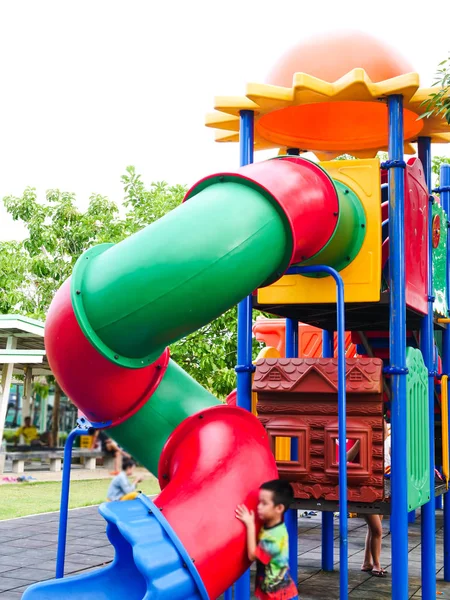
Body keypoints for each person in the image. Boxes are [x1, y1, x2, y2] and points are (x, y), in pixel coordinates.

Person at [235, 479, 298, 600]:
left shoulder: (274, 537)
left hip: (276, 593)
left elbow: (252, 555)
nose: (258, 507)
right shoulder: (271, 525)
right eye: (259, 502)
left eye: (264, 503)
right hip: (272, 588)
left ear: (279, 508)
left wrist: (250, 524)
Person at [346, 421, 390, 578]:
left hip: (377, 488)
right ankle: (376, 564)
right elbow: (345, 458)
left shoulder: (382, 446)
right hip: (362, 490)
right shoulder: (356, 438)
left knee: (373, 528)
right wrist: (360, 442)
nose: (382, 432)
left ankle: (367, 562)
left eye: (383, 429)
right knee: (377, 529)